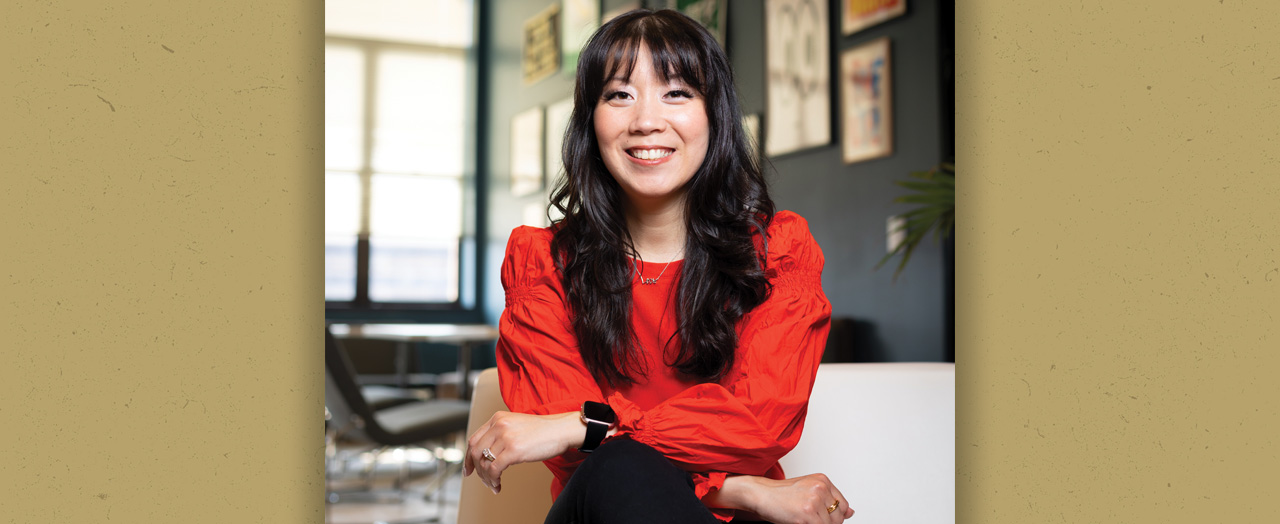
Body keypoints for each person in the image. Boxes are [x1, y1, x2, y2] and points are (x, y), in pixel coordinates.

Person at [464, 8, 852, 524]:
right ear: (590, 120)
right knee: (617, 468)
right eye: (619, 94)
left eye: (677, 93)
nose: (646, 120)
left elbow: (756, 424)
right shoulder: (542, 263)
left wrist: (585, 424)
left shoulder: (778, 251)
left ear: (714, 114)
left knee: (619, 457)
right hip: (601, 512)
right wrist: (743, 491)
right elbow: (572, 454)